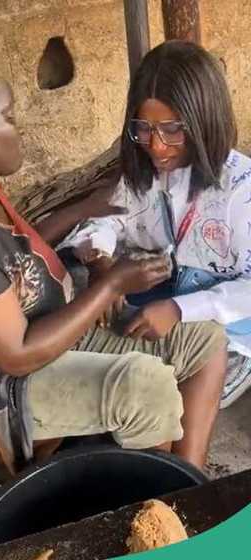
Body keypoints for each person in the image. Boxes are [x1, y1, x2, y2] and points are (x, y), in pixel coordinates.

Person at [0, 43, 227, 472]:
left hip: (53, 331)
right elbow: (16, 355)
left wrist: (79, 212)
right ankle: (153, 502)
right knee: (146, 389)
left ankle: (189, 479)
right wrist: (109, 285)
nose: (20, 131)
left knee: (205, 339)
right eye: (9, 117)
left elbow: (22, 252)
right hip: (6, 391)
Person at [60, 40, 251, 409]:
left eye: (171, 129)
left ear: (204, 120)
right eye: (143, 129)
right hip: (165, 297)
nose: (157, 146)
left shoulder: (241, 191)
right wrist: (100, 262)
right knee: (118, 378)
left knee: (175, 398)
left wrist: (182, 310)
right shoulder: (145, 174)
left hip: (230, 323)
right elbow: (104, 220)